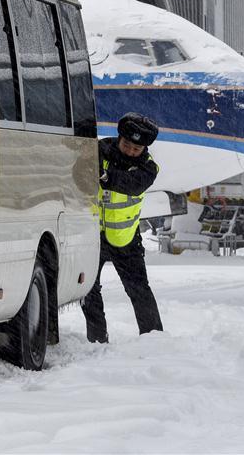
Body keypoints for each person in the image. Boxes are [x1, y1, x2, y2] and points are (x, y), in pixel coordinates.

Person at [82, 112, 163, 342]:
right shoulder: (99, 151)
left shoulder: (149, 168)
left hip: (125, 239)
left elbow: (130, 185)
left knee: (139, 290)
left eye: (136, 149)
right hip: (94, 236)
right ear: (119, 138)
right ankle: (97, 339)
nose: (130, 151)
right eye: (126, 145)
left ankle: (154, 339)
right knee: (88, 290)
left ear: (144, 150)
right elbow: (79, 173)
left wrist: (104, 176)